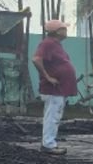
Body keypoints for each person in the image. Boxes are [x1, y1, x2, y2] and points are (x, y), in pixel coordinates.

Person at [31, 19, 76, 155]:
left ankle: (49, 142)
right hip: (53, 88)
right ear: (57, 31)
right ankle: (48, 145)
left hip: (59, 88)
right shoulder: (48, 43)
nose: (66, 31)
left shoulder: (55, 44)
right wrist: (47, 77)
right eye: (64, 28)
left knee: (54, 116)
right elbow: (36, 59)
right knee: (52, 116)